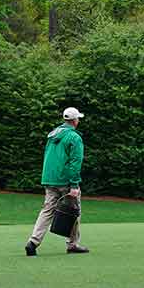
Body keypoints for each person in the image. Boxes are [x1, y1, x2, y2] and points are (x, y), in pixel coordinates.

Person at [26, 107, 88, 256]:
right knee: (74, 211)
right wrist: (74, 184)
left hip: (49, 178)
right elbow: (75, 162)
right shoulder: (74, 137)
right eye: (78, 118)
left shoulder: (53, 134)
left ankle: (33, 242)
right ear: (74, 121)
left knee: (47, 211)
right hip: (65, 180)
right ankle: (72, 244)